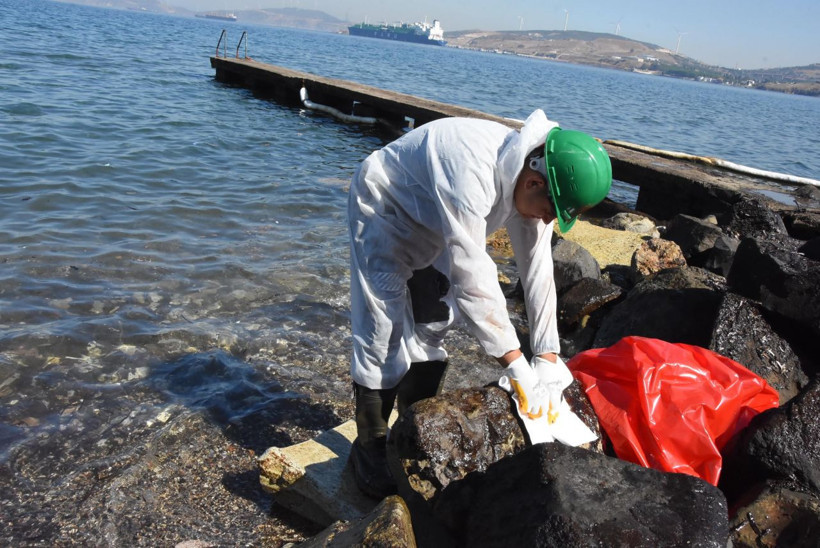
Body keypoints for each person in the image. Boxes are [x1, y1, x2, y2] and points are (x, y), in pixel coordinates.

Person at [347, 108, 612, 498]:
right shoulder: (470, 167)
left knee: (435, 319)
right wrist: (515, 364)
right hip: (387, 209)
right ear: (534, 182)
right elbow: (472, 275)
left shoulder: (531, 181)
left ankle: (412, 427)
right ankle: (369, 445)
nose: (546, 220)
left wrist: (547, 354)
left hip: (436, 221)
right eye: (549, 211)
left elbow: (537, 271)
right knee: (382, 327)